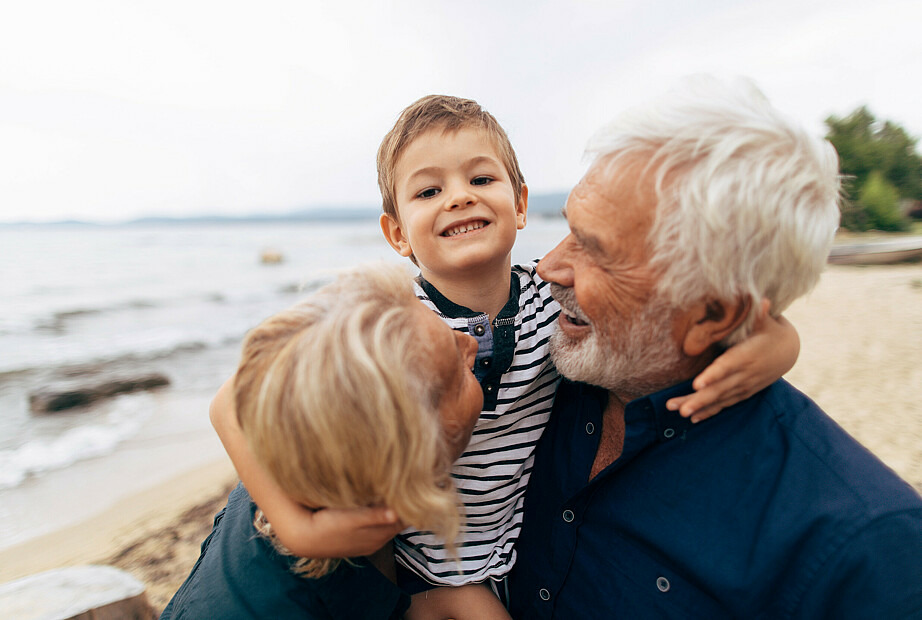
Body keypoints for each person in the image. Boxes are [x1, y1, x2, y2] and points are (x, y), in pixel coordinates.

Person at [211, 94, 803, 618]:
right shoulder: (384, 316)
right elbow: (231, 402)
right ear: (397, 234)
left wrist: (779, 344)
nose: (459, 197)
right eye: (428, 190)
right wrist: (297, 526)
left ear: (520, 204)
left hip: (513, 553)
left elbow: (688, 311)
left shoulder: (553, 297)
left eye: (481, 179)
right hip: (418, 564)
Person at [507, 77, 922, 618]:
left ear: (713, 315)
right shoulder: (525, 374)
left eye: (595, 250)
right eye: (569, 229)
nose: (548, 268)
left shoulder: (862, 551)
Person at [161, 265, 493, 618]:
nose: (470, 342)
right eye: (458, 374)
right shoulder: (299, 604)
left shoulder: (300, 444)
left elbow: (231, 396)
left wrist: (296, 529)